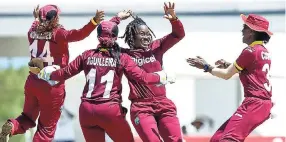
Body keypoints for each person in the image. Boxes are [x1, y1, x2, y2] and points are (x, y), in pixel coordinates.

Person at [37, 13, 173, 142]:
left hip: (86, 111)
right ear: (115, 37)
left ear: (98, 36)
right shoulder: (121, 57)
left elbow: (65, 73)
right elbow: (142, 77)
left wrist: (48, 74)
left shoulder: (87, 55)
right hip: (110, 110)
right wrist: (161, 77)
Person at [0, 4, 104, 142]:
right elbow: (79, 34)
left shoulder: (31, 30)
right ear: (55, 19)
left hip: (32, 81)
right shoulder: (58, 33)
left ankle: (12, 126)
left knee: (27, 117)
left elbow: (36, 24)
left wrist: (36, 18)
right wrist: (94, 22)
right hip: (51, 85)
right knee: (46, 129)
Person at [187, 14, 273, 142]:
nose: (241, 31)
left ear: (251, 32)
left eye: (244, 27)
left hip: (254, 103)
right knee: (217, 139)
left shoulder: (250, 51)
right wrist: (229, 65)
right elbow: (250, 72)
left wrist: (206, 67)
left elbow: (226, 75)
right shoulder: (263, 51)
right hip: (261, 104)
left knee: (229, 139)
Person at [120, 2, 185, 142]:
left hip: (163, 104)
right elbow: (106, 38)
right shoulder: (124, 55)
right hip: (141, 107)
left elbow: (178, 34)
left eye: (148, 33)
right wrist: (117, 18)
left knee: (176, 140)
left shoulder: (156, 47)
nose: (147, 37)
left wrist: (174, 19)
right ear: (132, 37)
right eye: (142, 34)